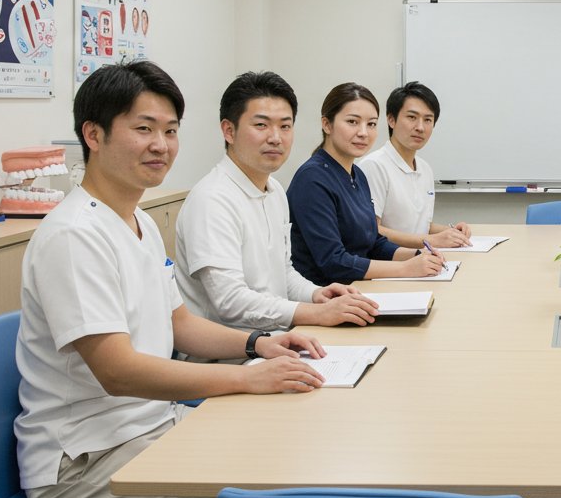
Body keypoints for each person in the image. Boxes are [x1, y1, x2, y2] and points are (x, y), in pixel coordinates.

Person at [15, 61, 331, 498]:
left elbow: (179, 324)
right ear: (93, 135)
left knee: (282, 458)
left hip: (146, 427)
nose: (160, 144)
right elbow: (117, 371)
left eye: (170, 130)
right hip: (83, 458)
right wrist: (246, 378)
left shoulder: (135, 222)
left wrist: (259, 343)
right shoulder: (75, 236)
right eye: (143, 129)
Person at [175, 71, 380, 333]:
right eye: (261, 125)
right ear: (229, 130)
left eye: (285, 126)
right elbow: (229, 301)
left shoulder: (274, 190)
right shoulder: (212, 200)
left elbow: (283, 274)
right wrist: (315, 313)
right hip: (228, 359)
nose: (276, 137)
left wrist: (317, 295)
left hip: (277, 339)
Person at [288, 82, 446, 282]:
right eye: (353, 122)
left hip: (360, 288)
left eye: (371, 124)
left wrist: (417, 255)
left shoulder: (357, 175)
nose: (363, 132)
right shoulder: (312, 179)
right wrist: (406, 268)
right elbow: (333, 262)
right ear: (327, 124)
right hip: (326, 298)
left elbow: (374, 243)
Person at [356, 81, 472, 249]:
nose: (420, 127)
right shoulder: (374, 166)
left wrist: (451, 232)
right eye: (412, 117)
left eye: (428, 120)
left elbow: (421, 226)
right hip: (390, 263)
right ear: (391, 120)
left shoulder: (425, 169)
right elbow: (372, 231)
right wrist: (429, 241)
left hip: (421, 259)